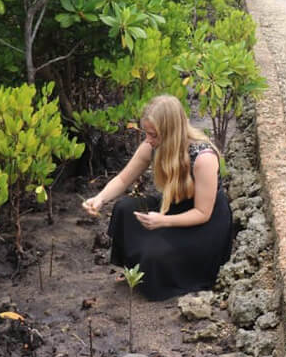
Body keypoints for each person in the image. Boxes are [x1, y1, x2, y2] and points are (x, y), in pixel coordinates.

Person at [82, 95, 233, 301]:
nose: (148, 140)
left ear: (171, 133)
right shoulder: (152, 146)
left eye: (153, 134)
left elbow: (203, 213)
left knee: (154, 256)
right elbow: (124, 178)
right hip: (174, 205)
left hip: (204, 223)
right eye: (146, 133)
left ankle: (154, 269)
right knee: (124, 208)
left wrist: (164, 221)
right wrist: (99, 198)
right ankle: (137, 267)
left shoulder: (203, 157)